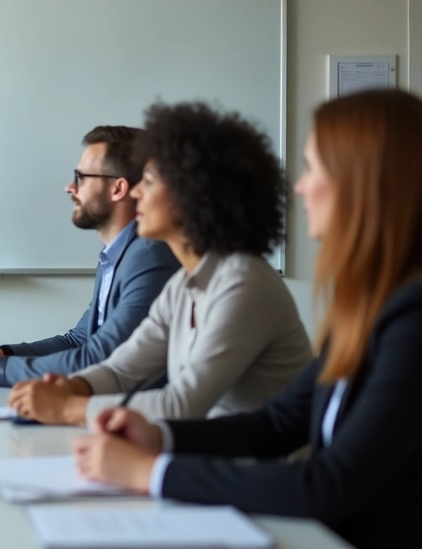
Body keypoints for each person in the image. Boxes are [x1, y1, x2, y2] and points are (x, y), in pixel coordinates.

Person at [72, 89, 422, 548]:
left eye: (313, 168)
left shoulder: (412, 319)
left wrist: (151, 472)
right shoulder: (366, 308)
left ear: (365, 184)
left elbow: (328, 483)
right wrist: (160, 437)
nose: (300, 187)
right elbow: (279, 422)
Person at [9, 101, 313, 425]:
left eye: (149, 181)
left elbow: (182, 405)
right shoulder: (183, 285)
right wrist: (69, 387)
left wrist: (68, 408)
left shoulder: (243, 282)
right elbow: (120, 369)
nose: (135, 192)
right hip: (202, 450)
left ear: (192, 195)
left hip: (251, 457)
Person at [0, 126, 178, 386]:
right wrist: (0, 355)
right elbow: (79, 340)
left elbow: (102, 358)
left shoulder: (149, 257)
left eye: (81, 177)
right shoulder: (115, 256)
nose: (70, 188)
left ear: (118, 189)